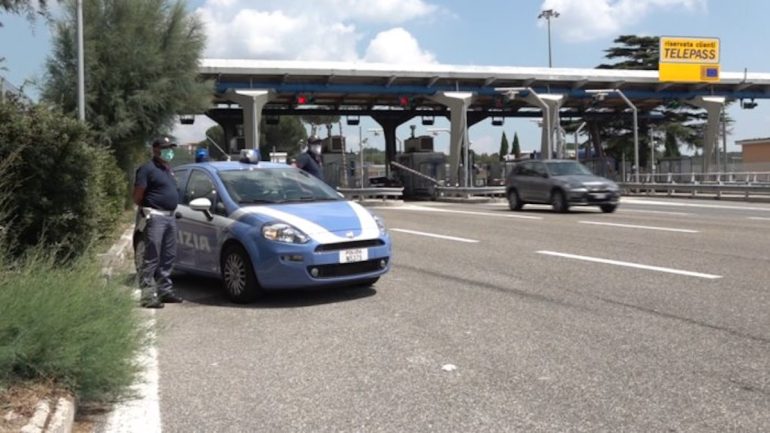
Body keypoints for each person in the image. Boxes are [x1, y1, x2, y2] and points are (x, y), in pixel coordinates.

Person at [133, 137, 183, 308]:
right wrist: (148, 208)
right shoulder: (147, 169)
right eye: (165, 148)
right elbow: (138, 195)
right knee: (151, 256)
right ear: (155, 149)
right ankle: (147, 296)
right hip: (155, 217)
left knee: (168, 256)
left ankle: (164, 291)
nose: (169, 151)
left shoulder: (167, 169)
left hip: (170, 217)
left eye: (171, 148)